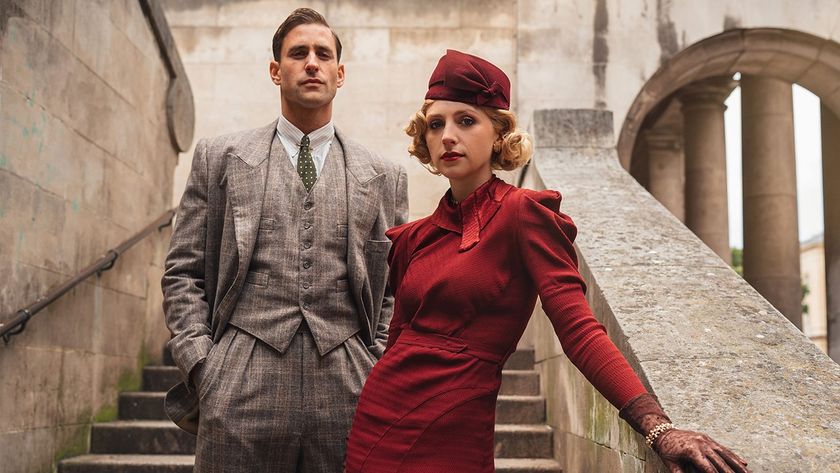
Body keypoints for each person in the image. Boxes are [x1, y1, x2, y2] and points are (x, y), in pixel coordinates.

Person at [344, 49, 748, 473]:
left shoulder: (523, 214)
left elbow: (578, 328)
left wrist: (658, 427)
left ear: (498, 135)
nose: (448, 135)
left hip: (455, 433)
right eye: (436, 124)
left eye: (467, 120)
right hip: (379, 424)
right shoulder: (414, 237)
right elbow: (397, 342)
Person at [161, 8, 408, 472]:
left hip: (350, 377)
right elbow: (183, 272)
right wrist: (202, 363)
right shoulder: (220, 158)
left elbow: (395, 285)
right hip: (239, 372)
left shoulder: (384, 175)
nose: (311, 63)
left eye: (323, 54)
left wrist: (377, 361)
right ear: (276, 71)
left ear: (340, 73)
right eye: (298, 53)